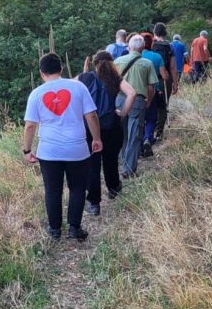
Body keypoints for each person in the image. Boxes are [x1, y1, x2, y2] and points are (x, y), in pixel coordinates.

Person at [23, 53, 102, 241]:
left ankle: (55, 230)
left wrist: (27, 149)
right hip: (77, 148)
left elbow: (30, 125)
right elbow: (91, 116)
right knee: (77, 188)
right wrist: (96, 138)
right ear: (61, 69)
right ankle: (74, 227)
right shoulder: (78, 87)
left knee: (52, 190)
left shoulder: (36, 94)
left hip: (49, 151)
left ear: (42, 73)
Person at [78, 51, 136, 216]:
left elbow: (70, 85)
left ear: (95, 63)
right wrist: (122, 112)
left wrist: (84, 72)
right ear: (111, 63)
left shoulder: (85, 78)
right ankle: (113, 188)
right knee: (110, 161)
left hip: (90, 128)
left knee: (92, 166)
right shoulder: (115, 79)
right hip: (111, 125)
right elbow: (132, 93)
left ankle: (94, 204)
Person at [114, 35, 158, 178]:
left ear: (129, 46)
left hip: (120, 99)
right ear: (143, 47)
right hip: (138, 100)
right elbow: (151, 87)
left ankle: (123, 162)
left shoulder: (117, 61)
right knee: (135, 134)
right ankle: (128, 169)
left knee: (122, 134)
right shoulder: (147, 63)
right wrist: (149, 101)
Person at [151, 23, 179, 141]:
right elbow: (173, 67)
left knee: (151, 104)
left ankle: (149, 132)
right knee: (163, 104)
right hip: (165, 78)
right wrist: (175, 83)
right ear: (165, 32)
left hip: (151, 78)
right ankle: (159, 132)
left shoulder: (151, 45)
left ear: (155, 32)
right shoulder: (170, 46)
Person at [141, 39, 169, 156]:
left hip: (136, 92)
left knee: (140, 118)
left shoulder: (134, 56)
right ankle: (148, 137)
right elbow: (164, 76)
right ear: (151, 44)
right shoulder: (156, 57)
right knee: (152, 117)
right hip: (154, 90)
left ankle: (141, 140)